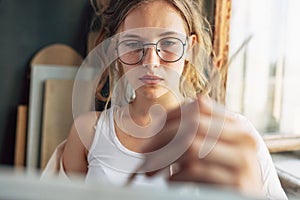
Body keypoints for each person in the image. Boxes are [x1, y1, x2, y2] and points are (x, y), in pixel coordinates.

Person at [51, 0, 287, 199]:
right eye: (133, 44)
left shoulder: (235, 136)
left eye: (169, 43)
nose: (151, 62)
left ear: (190, 49)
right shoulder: (88, 133)